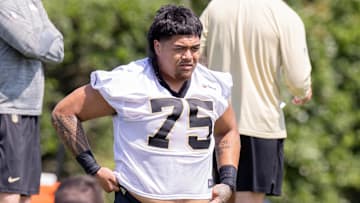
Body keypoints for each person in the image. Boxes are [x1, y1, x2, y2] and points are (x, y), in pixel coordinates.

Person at [51, 4, 240, 203]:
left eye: (194, 49)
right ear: (158, 46)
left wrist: (227, 181)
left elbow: (227, 130)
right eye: (180, 49)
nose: (189, 57)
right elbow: (64, 113)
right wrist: (93, 169)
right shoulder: (129, 81)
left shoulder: (212, 84)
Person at [200, 0, 312, 202]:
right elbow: (298, 79)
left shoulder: (215, 7)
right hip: (259, 125)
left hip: (215, 124)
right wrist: (303, 90)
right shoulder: (286, 16)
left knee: (213, 197)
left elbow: (194, 55)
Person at [0, 0, 64, 202]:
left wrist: (39, 38)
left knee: (27, 192)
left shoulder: (34, 2)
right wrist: (42, 37)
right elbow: (32, 45)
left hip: (31, 109)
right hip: (8, 107)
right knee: (10, 191)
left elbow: (58, 49)